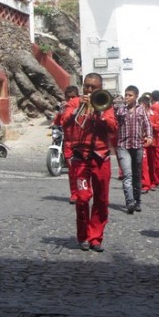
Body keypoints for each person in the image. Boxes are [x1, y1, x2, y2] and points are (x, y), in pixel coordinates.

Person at [62, 73, 118, 252]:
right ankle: (83, 235)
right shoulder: (74, 102)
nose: (89, 90)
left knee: (102, 200)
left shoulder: (105, 103)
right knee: (83, 198)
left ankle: (96, 237)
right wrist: (78, 106)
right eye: (86, 86)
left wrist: (100, 112)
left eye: (93, 87)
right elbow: (63, 122)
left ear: (100, 88)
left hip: (101, 157)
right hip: (81, 157)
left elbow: (113, 128)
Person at [116, 85, 153, 214]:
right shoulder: (120, 110)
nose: (127, 97)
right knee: (127, 175)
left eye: (129, 95)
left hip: (137, 146)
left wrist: (149, 136)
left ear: (136, 96)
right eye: (126, 95)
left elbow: (148, 124)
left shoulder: (141, 110)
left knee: (137, 175)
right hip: (123, 146)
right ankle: (129, 202)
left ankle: (138, 201)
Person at [53, 85, 79, 203]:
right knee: (72, 170)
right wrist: (60, 112)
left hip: (81, 142)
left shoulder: (81, 105)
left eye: (73, 97)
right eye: (68, 98)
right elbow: (58, 121)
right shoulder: (65, 107)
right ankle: (74, 194)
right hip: (68, 142)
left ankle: (84, 191)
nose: (71, 100)